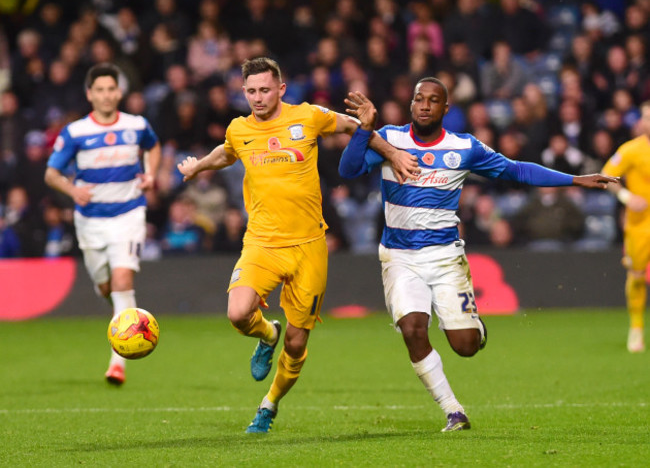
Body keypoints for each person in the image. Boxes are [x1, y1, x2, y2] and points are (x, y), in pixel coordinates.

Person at [338, 77, 617, 432]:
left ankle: (474, 328)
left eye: (433, 100)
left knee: (466, 346)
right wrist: (364, 130)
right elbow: (347, 171)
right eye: (419, 99)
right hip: (400, 256)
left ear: (445, 109)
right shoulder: (389, 139)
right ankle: (453, 410)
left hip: (444, 257)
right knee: (412, 328)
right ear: (411, 104)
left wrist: (574, 180)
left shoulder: (464, 148)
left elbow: (516, 170)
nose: (424, 105)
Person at [176, 57, 417, 434]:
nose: (258, 98)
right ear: (244, 92)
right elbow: (227, 151)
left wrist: (394, 152)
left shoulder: (308, 116)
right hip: (262, 243)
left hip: (308, 246)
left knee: (298, 339)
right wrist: (198, 167)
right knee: (238, 313)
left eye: (265, 90)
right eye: (251, 91)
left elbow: (355, 126)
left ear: (281, 89)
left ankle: (269, 404)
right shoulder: (238, 129)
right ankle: (266, 334)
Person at [44, 63, 161, 385]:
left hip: (129, 214)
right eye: (100, 90)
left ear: (119, 92)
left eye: (112, 89)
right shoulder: (75, 132)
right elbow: (51, 173)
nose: (107, 95)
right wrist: (72, 189)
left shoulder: (137, 125)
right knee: (106, 286)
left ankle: (119, 360)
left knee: (123, 278)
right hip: (91, 222)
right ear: (90, 94)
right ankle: (117, 310)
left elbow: (153, 146)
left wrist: (150, 174)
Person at [601, 100, 650, 353]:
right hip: (640, 225)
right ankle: (637, 328)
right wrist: (628, 198)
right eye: (646, 117)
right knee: (638, 276)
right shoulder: (630, 150)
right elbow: (606, 176)